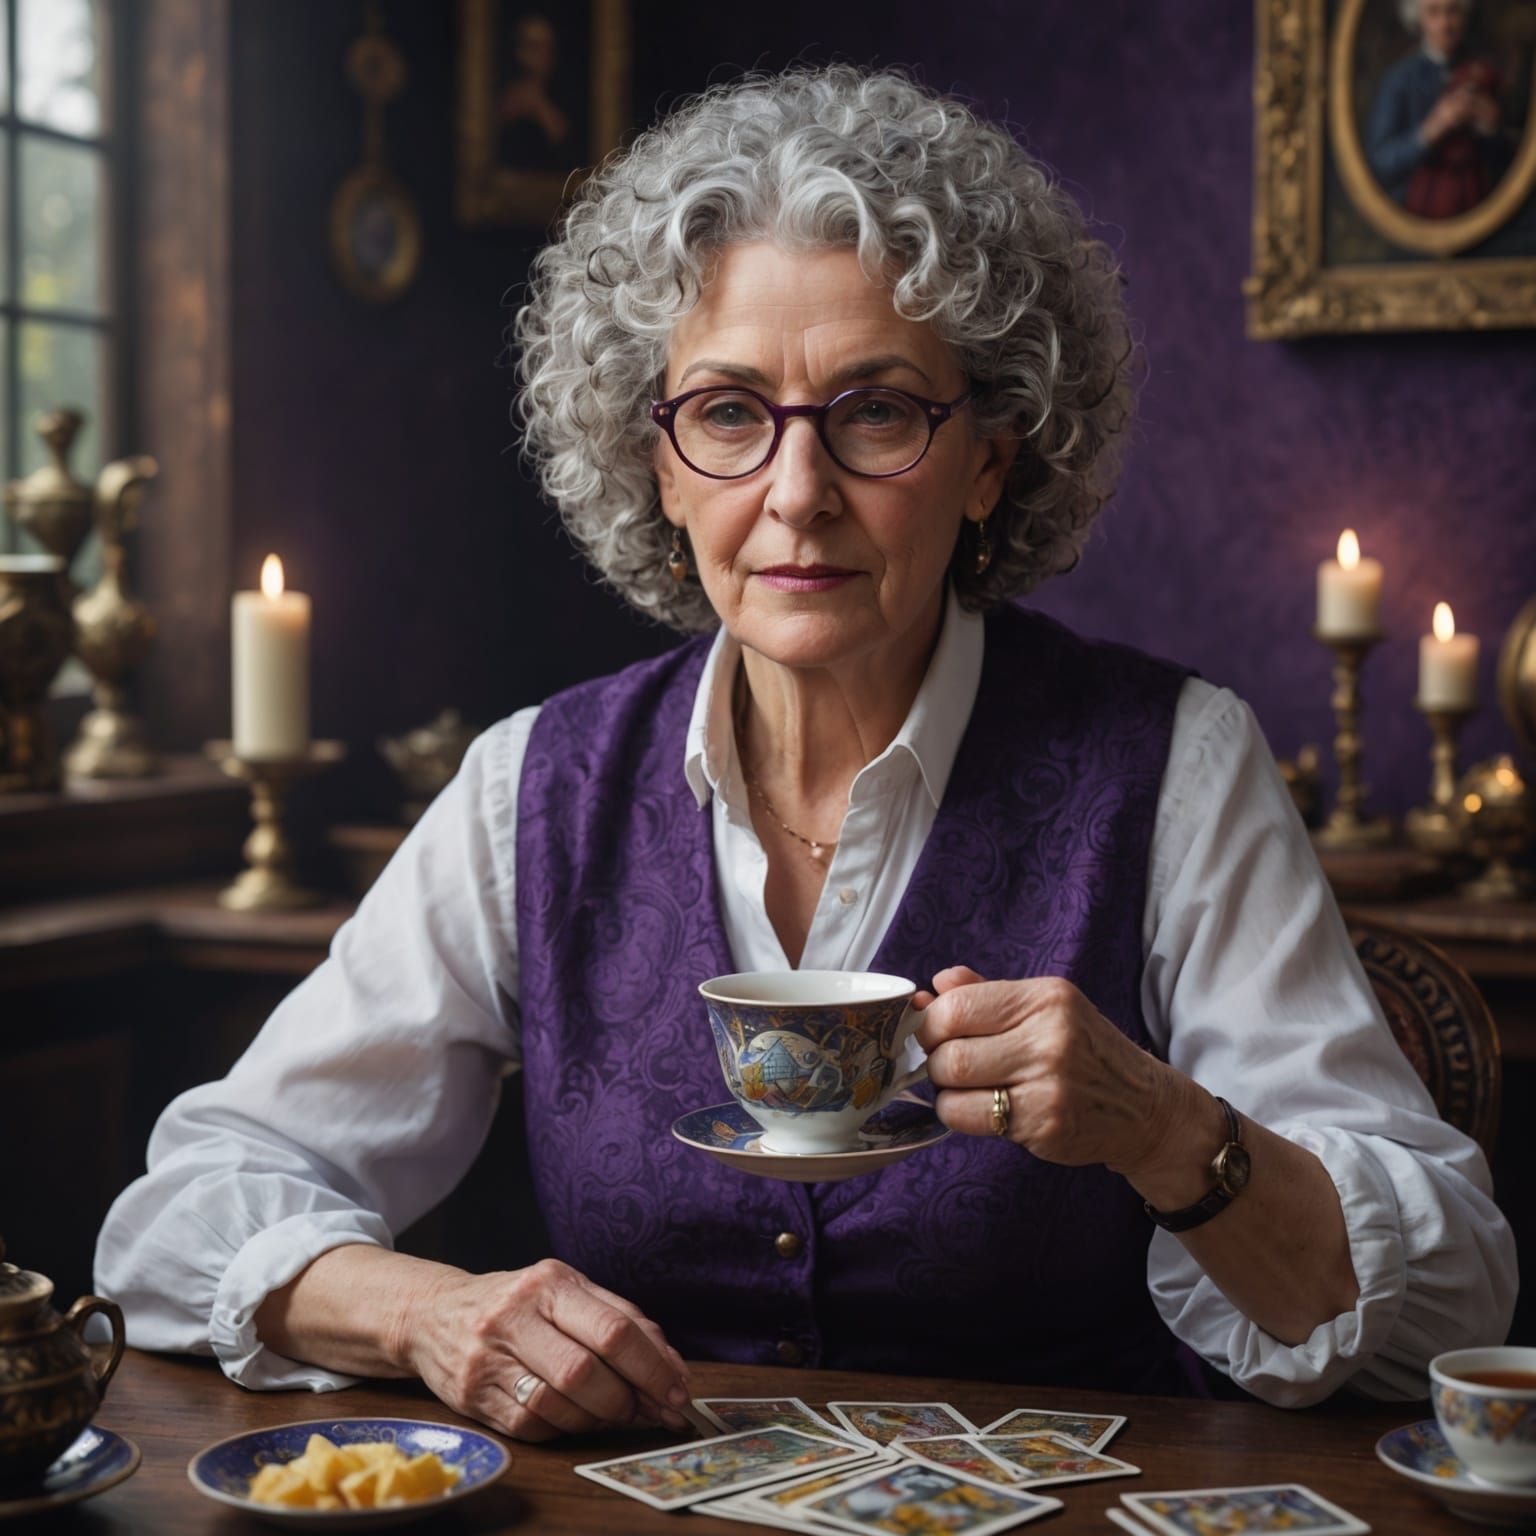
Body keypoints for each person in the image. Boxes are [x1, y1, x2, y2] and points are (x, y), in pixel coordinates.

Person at [95, 65, 1515, 1442]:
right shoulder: (532, 786)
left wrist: (1160, 1127)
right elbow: (187, 1212)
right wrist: (426, 1314)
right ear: (654, 460)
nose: (795, 495)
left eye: (877, 412)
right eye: (726, 413)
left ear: (992, 459)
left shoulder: (1182, 767)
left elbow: (1450, 1303)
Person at [1366, 0, 1512, 217]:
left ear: (1464, 16)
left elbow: (1507, 162)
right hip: (1420, 206)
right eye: (1433, 13)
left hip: (1478, 202)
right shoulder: (1400, 79)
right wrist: (1431, 130)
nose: (1444, 24)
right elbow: (1381, 161)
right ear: (1418, 19)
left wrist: (1490, 128)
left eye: (1452, 12)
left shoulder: (1484, 72)